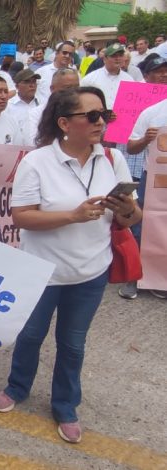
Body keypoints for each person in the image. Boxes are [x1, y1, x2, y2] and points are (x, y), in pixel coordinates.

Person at [0, 87, 141, 444]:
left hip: (90, 273)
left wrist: (124, 210)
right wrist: (72, 216)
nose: (100, 122)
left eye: (104, 114)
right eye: (91, 116)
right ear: (63, 123)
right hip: (41, 273)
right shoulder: (36, 161)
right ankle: (18, 386)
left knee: (73, 344)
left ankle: (66, 405)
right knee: (30, 335)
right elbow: (22, 218)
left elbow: (134, 215)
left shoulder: (112, 159)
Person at [121, 56, 167, 300]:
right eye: (159, 72)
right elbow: (131, 147)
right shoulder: (151, 112)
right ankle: (136, 278)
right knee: (144, 227)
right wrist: (145, 140)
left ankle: (161, 277)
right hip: (155, 179)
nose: (164, 75)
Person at [24, 69, 81, 145]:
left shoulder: (85, 111)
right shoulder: (36, 114)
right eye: (68, 88)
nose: (74, 92)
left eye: (77, 87)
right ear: (52, 89)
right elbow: (33, 143)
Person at [81, 43, 134, 112]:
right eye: (113, 56)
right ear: (104, 59)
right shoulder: (90, 79)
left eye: (120, 55)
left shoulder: (129, 79)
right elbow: (83, 102)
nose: (117, 58)